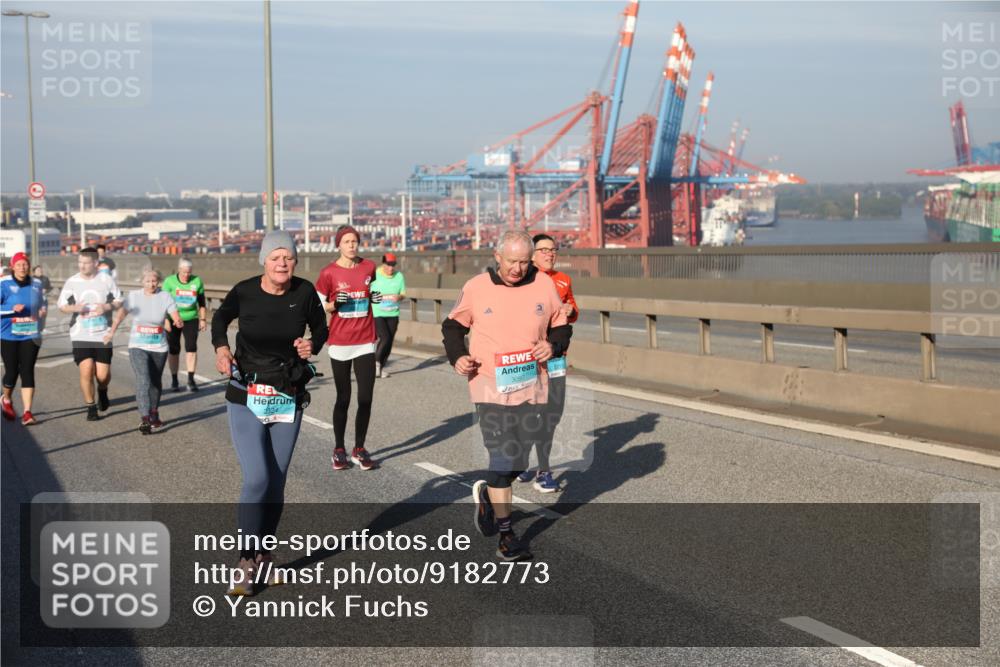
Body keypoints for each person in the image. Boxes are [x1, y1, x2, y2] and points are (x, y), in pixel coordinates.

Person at [442, 230, 571, 561]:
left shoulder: (543, 284)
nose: (517, 268)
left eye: (524, 262)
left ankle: (489, 492)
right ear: (497, 256)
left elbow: (561, 324)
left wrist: (553, 345)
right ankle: (506, 534)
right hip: (488, 385)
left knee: (520, 461)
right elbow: (453, 327)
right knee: (502, 460)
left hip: (531, 386)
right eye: (512, 261)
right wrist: (458, 356)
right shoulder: (476, 287)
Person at [212, 231, 328, 596]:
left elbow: (322, 327)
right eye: (276, 257)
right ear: (264, 260)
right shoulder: (245, 291)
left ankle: (264, 555)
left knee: (276, 481)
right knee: (257, 478)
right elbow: (220, 319)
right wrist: (221, 348)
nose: (282, 263)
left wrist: (313, 344)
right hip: (247, 392)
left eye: (288, 258)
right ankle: (246, 559)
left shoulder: (304, 292)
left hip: (287, 393)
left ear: (295, 261)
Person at [315, 225, 382, 471]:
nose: (351, 245)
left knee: (365, 398)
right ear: (339, 245)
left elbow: (369, 291)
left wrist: (373, 298)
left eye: (354, 241)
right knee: (344, 397)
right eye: (346, 242)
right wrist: (335, 303)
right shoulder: (328, 273)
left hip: (365, 340)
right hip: (340, 342)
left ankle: (359, 449)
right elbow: (320, 306)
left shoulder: (368, 267)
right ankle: (339, 449)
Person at [516, 233, 579, 492]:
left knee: (552, 414)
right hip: (528, 360)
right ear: (532, 255)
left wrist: (569, 311)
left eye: (553, 250)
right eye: (543, 250)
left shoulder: (563, 280)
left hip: (555, 359)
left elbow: (573, 309)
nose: (550, 254)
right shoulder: (522, 281)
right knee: (527, 415)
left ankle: (543, 470)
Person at [105, 268, 183, 434]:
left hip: (159, 347)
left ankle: (154, 412)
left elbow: (174, 314)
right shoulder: (134, 297)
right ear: (142, 282)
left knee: (155, 382)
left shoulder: (165, 296)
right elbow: (120, 315)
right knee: (144, 379)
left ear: (158, 281)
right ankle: (145, 418)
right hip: (137, 345)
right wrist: (111, 331)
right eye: (147, 281)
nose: (151, 284)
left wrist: (177, 321)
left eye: (154, 281)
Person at [57, 247, 122, 421]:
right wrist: (74, 308)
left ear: (95, 263)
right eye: (80, 262)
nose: (82, 266)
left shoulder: (106, 280)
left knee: (102, 375)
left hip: (102, 334)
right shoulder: (72, 281)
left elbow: (119, 299)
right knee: (86, 370)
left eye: (86, 263)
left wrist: (106, 307)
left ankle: (102, 390)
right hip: (80, 333)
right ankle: (90, 407)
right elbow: (61, 305)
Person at [1, 252, 47, 425]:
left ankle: (28, 412)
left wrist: (42, 311)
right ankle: (6, 398)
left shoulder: (36, 283)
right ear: (13, 266)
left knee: (27, 370)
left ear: (29, 266)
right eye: (18, 264)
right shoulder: (4, 283)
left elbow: (42, 302)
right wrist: (12, 307)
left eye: (25, 264)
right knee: (12, 372)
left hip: (31, 333)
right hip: (8, 334)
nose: (22, 267)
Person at [162, 258, 208, 392]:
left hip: (191, 318)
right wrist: (165, 320)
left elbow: (202, 303)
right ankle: (174, 379)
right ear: (179, 270)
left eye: (189, 272)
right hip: (172, 318)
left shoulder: (197, 281)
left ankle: (190, 379)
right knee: (174, 349)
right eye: (184, 273)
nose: (187, 275)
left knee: (191, 347)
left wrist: (203, 319)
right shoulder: (169, 282)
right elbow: (162, 302)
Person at [371, 252, 406, 378]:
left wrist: (399, 297)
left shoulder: (399, 276)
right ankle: (375, 365)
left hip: (393, 313)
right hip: (378, 312)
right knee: (384, 337)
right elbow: (367, 292)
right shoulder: (375, 275)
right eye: (388, 265)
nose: (391, 268)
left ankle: (381, 367)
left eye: (393, 265)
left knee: (389, 342)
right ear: (383, 264)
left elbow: (403, 293)